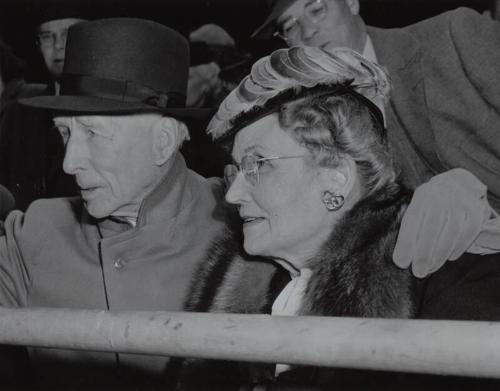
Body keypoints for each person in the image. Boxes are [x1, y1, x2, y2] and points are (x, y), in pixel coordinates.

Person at [176, 46, 500, 391]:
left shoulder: (444, 266)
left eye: (258, 165)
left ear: (336, 176)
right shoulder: (246, 281)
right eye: (237, 170)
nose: (232, 194)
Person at [0, 17, 228, 389]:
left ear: (164, 141)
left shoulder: (241, 230)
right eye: (65, 133)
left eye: (93, 133)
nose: (70, 162)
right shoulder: (37, 232)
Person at [252, 1, 500, 226]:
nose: (307, 32)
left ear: (351, 3)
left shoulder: (453, 34)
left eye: (316, 10)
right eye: (291, 26)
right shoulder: (318, 126)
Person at [0, 7, 85, 210]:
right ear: (38, 45)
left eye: (69, 34)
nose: (58, 45)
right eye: (48, 36)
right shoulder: (18, 114)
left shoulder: (112, 115)